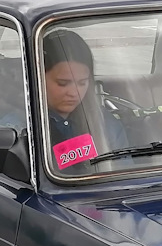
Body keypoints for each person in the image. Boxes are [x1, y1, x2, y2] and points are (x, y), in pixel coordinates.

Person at [42, 28, 115, 171]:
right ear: (39, 78)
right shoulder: (22, 128)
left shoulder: (104, 123)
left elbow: (122, 169)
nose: (74, 92)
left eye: (82, 83)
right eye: (63, 83)